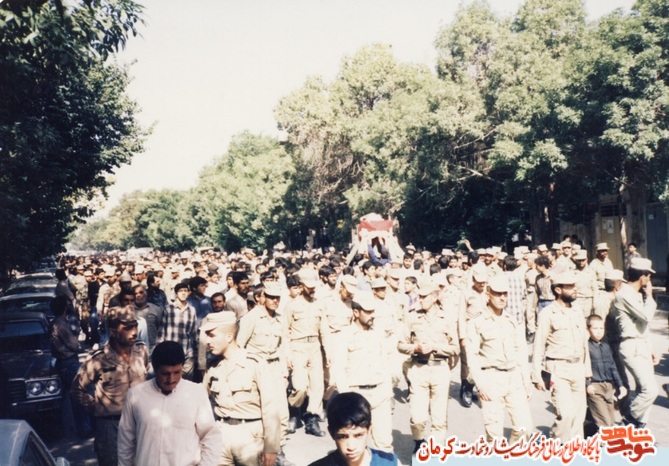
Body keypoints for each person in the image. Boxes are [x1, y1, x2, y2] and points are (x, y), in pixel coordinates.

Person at [117, 341, 222, 466]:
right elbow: (126, 443)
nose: (171, 379)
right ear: (155, 369)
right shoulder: (135, 395)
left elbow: (211, 437)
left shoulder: (197, 393)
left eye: (177, 372)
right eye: (165, 373)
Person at [71, 306, 149, 466]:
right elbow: (77, 389)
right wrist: (95, 408)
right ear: (113, 331)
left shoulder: (141, 350)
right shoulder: (97, 359)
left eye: (135, 326)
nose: (134, 332)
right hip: (110, 426)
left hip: (139, 422)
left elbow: (146, 375)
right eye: (127, 328)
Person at [201, 311, 281, 466]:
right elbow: (201, 402)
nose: (207, 341)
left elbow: (271, 408)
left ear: (229, 337)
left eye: (212, 335)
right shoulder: (213, 367)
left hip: (249, 437)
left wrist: (271, 448)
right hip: (220, 435)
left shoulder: (254, 363)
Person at [466, 276, 533, 444]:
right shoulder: (477, 322)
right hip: (491, 378)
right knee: (494, 433)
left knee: (525, 427)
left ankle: (511, 453)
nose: (502, 298)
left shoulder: (511, 320)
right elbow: (472, 356)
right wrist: (480, 384)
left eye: (505, 294)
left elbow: (520, 351)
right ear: (488, 295)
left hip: (514, 377)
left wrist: (526, 381)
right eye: (497, 294)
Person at [237, 282, 293, 465]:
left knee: (281, 413)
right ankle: (259, 450)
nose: (275, 301)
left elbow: (282, 346)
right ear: (262, 297)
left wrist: (284, 373)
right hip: (256, 369)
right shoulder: (251, 318)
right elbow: (240, 346)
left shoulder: (280, 318)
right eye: (271, 297)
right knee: (261, 412)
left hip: (275, 367)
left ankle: (278, 449)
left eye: (278, 298)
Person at [399, 281, 459, 453]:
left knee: (439, 418)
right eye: (419, 297)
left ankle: (435, 450)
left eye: (424, 297)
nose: (420, 300)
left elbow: (455, 348)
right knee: (417, 418)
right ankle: (418, 442)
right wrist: (416, 348)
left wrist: (435, 347)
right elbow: (401, 345)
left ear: (434, 297)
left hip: (440, 369)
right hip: (419, 369)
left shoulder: (447, 318)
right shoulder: (412, 317)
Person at [531, 272, 590, 441]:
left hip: (577, 367)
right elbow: (539, 346)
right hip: (558, 369)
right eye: (570, 286)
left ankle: (575, 449)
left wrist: (587, 371)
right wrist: (536, 375)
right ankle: (558, 445)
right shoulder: (547, 313)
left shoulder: (578, 310)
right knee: (566, 414)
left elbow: (584, 344)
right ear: (558, 290)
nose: (575, 289)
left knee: (578, 416)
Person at [333, 292, 394, 453]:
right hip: (357, 396)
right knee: (355, 447)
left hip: (380, 394)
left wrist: (388, 390)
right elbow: (338, 369)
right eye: (368, 311)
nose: (372, 315)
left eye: (373, 311)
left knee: (384, 443)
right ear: (356, 312)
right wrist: (347, 399)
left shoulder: (379, 333)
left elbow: (386, 363)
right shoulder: (344, 336)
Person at [609, 257, 659, 427]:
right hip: (631, 345)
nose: (649, 280)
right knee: (650, 391)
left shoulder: (635, 295)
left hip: (641, 343)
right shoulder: (624, 294)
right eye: (649, 276)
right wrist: (650, 297)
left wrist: (650, 347)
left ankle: (638, 427)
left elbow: (642, 326)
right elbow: (646, 316)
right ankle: (628, 420)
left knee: (642, 390)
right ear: (642, 277)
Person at [284, 269, 332, 437]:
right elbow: (285, 332)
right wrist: (288, 354)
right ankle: (294, 410)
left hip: (315, 347)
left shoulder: (319, 304)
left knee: (317, 386)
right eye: (309, 286)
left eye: (314, 287)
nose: (312, 289)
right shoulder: (291, 306)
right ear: (301, 286)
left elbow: (324, 330)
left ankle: (312, 419)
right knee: (300, 387)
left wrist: (328, 351)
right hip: (298, 347)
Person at [308, 392, 398, 466]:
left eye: (358, 435)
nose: (351, 447)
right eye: (343, 437)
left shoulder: (389, 463)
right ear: (331, 433)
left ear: (369, 429)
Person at [49, 296, 89, 438]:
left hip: (63, 362)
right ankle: (84, 429)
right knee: (78, 394)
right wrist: (78, 344)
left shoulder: (55, 323)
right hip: (68, 362)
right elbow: (74, 345)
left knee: (70, 396)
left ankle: (79, 427)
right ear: (65, 308)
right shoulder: (60, 324)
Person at [585, 315, 627, 430]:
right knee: (604, 423)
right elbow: (583, 367)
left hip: (608, 387)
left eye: (601, 328)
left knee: (611, 421)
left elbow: (612, 367)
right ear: (588, 329)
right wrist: (588, 384)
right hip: (595, 387)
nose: (599, 332)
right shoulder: (586, 347)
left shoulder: (606, 346)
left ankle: (590, 433)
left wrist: (620, 385)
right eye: (595, 328)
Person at [157, 281, 199, 380]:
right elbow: (161, 331)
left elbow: (194, 332)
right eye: (181, 291)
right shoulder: (168, 309)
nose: (183, 293)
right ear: (176, 294)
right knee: (171, 380)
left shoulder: (192, 310)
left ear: (188, 293)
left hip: (187, 353)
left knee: (186, 383)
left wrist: (196, 351)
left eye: (185, 291)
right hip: (170, 352)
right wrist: (159, 350)